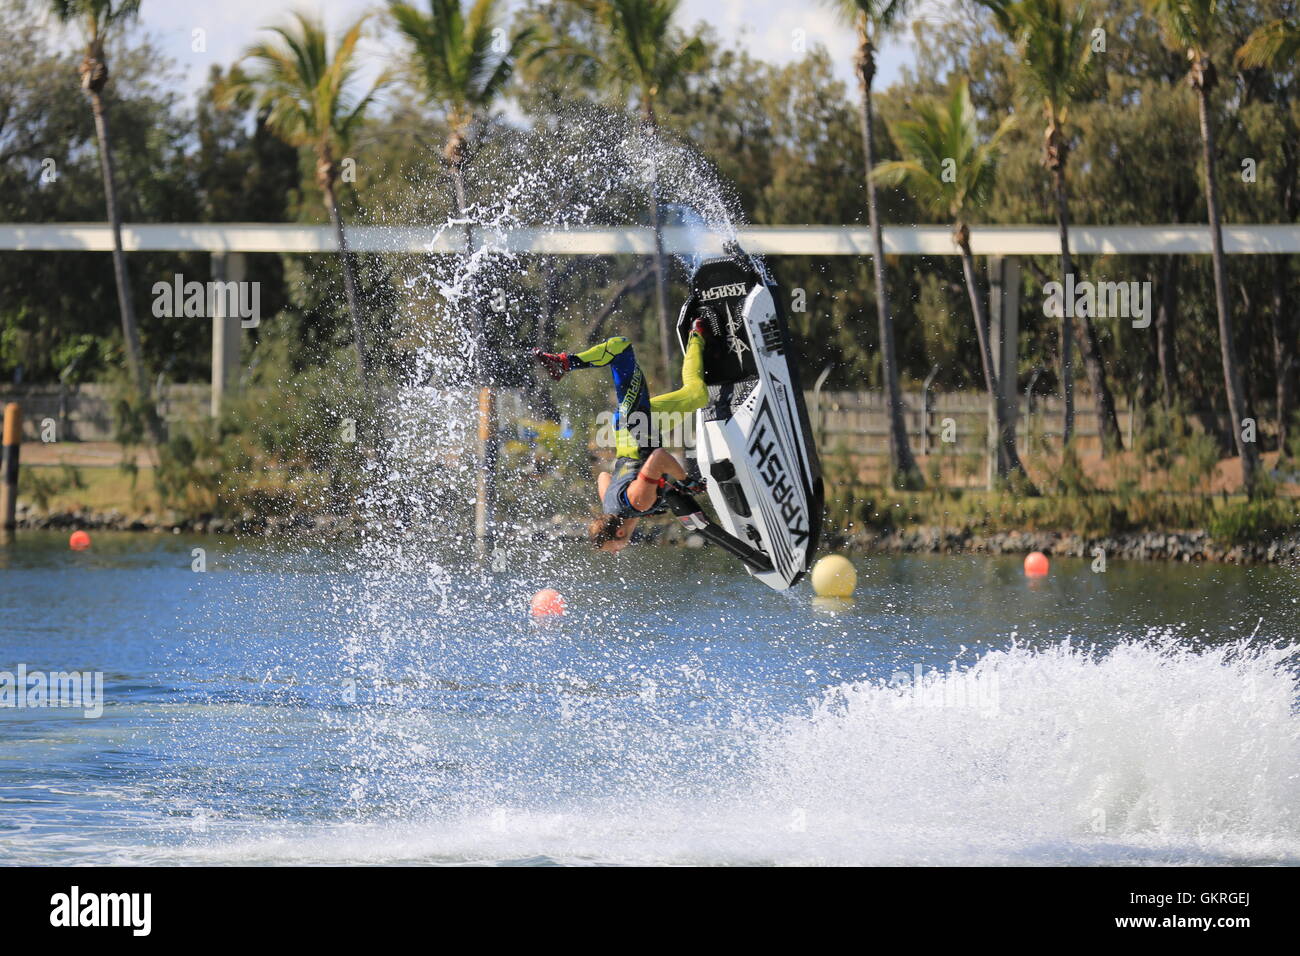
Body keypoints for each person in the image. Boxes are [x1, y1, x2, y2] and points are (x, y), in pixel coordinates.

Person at [535, 320, 709, 552]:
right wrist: (650, 495)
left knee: (621, 349)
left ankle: (565, 363)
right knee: (696, 396)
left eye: (615, 547)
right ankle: (697, 334)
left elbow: (658, 457)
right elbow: (604, 476)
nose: (618, 550)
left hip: (636, 421)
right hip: (635, 425)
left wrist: (686, 481)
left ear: (619, 532)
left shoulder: (638, 502)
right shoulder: (611, 506)